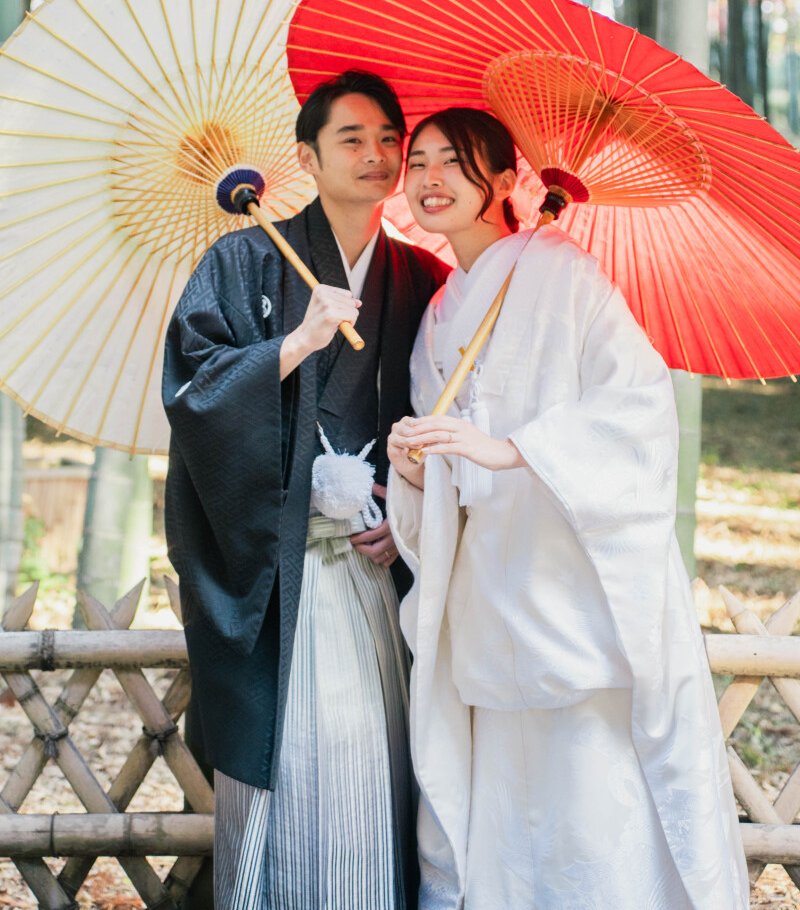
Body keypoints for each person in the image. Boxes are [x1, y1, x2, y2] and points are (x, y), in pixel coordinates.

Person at [387, 107, 749, 910]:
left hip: (570, 586)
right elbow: (447, 470)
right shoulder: (440, 315)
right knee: (508, 814)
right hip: (488, 596)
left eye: (457, 161)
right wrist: (414, 470)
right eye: (418, 162)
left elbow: (639, 406)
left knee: (591, 807)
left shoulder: (562, 272)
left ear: (510, 182)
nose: (430, 178)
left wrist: (515, 449)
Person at [162, 70, 449, 910]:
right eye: (352, 139)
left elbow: (445, 421)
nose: (378, 156)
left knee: (377, 769)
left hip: (376, 574)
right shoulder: (243, 257)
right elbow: (195, 396)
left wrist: (407, 518)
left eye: (390, 140)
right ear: (306, 156)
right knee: (293, 768)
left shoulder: (423, 280)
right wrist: (293, 344)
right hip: (280, 580)